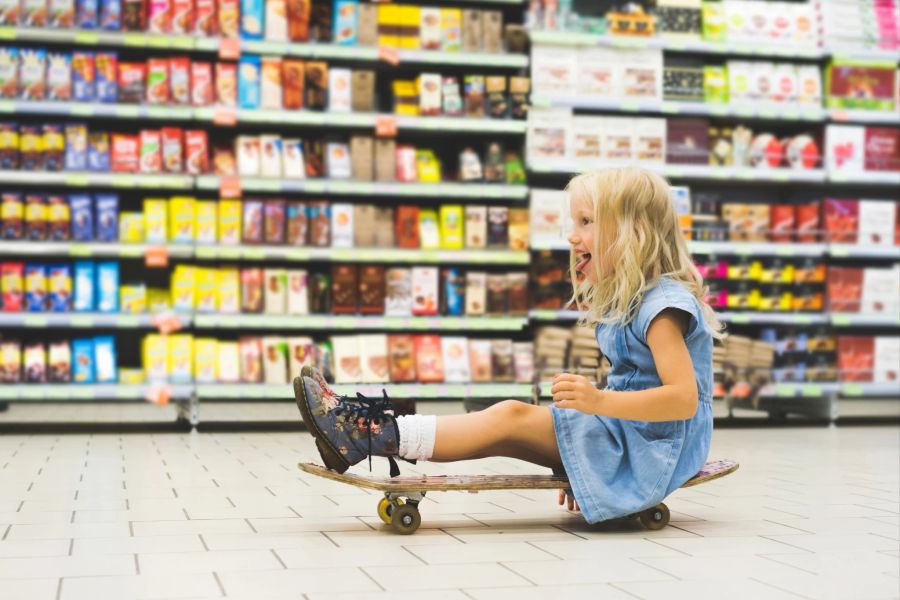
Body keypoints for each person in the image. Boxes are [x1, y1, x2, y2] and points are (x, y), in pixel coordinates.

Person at [294, 167, 722, 524]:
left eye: (587, 223)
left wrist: (597, 402)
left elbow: (683, 400)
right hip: (631, 434)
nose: (573, 237)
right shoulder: (633, 300)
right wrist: (576, 460)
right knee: (507, 425)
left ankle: (368, 433)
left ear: (635, 232)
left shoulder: (664, 309)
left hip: (653, 448)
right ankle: (363, 434)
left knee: (510, 416)